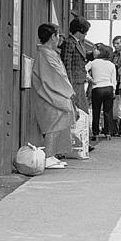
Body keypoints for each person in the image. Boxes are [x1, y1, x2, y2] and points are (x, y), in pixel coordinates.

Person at [31, 23, 76, 169]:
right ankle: (48, 156)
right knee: (53, 124)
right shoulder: (45, 54)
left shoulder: (48, 53)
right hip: (50, 94)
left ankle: (52, 155)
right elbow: (57, 77)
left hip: (52, 93)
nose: (60, 38)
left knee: (58, 122)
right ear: (53, 36)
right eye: (58, 35)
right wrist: (68, 91)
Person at [60, 17, 91, 115]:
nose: (86, 34)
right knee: (78, 109)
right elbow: (66, 64)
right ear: (79, 31)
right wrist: (68, 83)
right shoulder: (69, 42)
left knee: (82, 109)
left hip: (79, 81)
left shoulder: (79, 43)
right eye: (85, 32)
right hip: (73, 81)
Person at [86, 44, 116, 140]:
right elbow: (113, 80)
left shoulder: (93, 62)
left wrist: (89, 78)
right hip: (109, 88)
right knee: (108, 111)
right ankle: (108, 133)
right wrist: (114, 90)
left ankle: (96, 134)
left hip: (97, 88)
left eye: (95, 49)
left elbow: (84, 69)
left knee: (96, 111)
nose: (93, 51)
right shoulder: (111, 64)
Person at [110, 35, 121, 136]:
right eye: (114, 43)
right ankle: (114, 129)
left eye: (118, 43)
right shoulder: (113, 55)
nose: (115, 45)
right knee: (115, 105)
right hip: (114, 82)